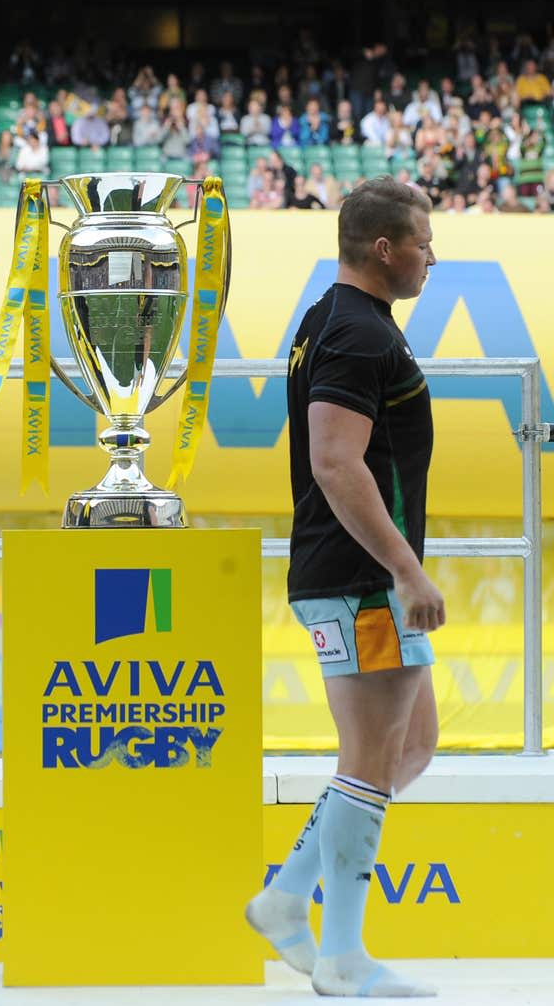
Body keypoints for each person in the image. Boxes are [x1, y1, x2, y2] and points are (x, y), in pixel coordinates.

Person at [245, 175, 444, 997]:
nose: (433, 258)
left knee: (413, 744)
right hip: (363, 580)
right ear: (384, 249)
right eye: (424, 245)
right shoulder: (358, 334)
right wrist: (404, 568)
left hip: (352, 575)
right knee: (369, 758)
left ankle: (288, 897)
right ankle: (343, 956)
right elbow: (334, 462)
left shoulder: (330, 321)